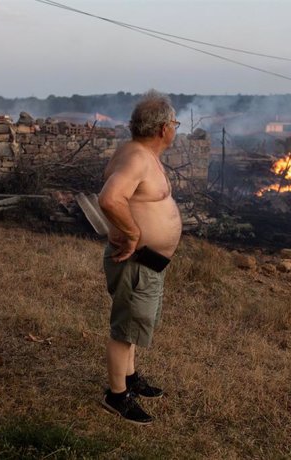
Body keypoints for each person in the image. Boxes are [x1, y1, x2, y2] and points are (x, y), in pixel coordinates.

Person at [98, 90, 183, 425]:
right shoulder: (136, 158)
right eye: (175, 123)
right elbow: (110, 199)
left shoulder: (142, 153)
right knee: (125, 329)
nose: (176, 128)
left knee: (135, 324)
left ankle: (130, 379)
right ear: (163, 129)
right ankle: (116, 396)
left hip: (148, 263)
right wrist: (133, 234)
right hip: (136, 261)